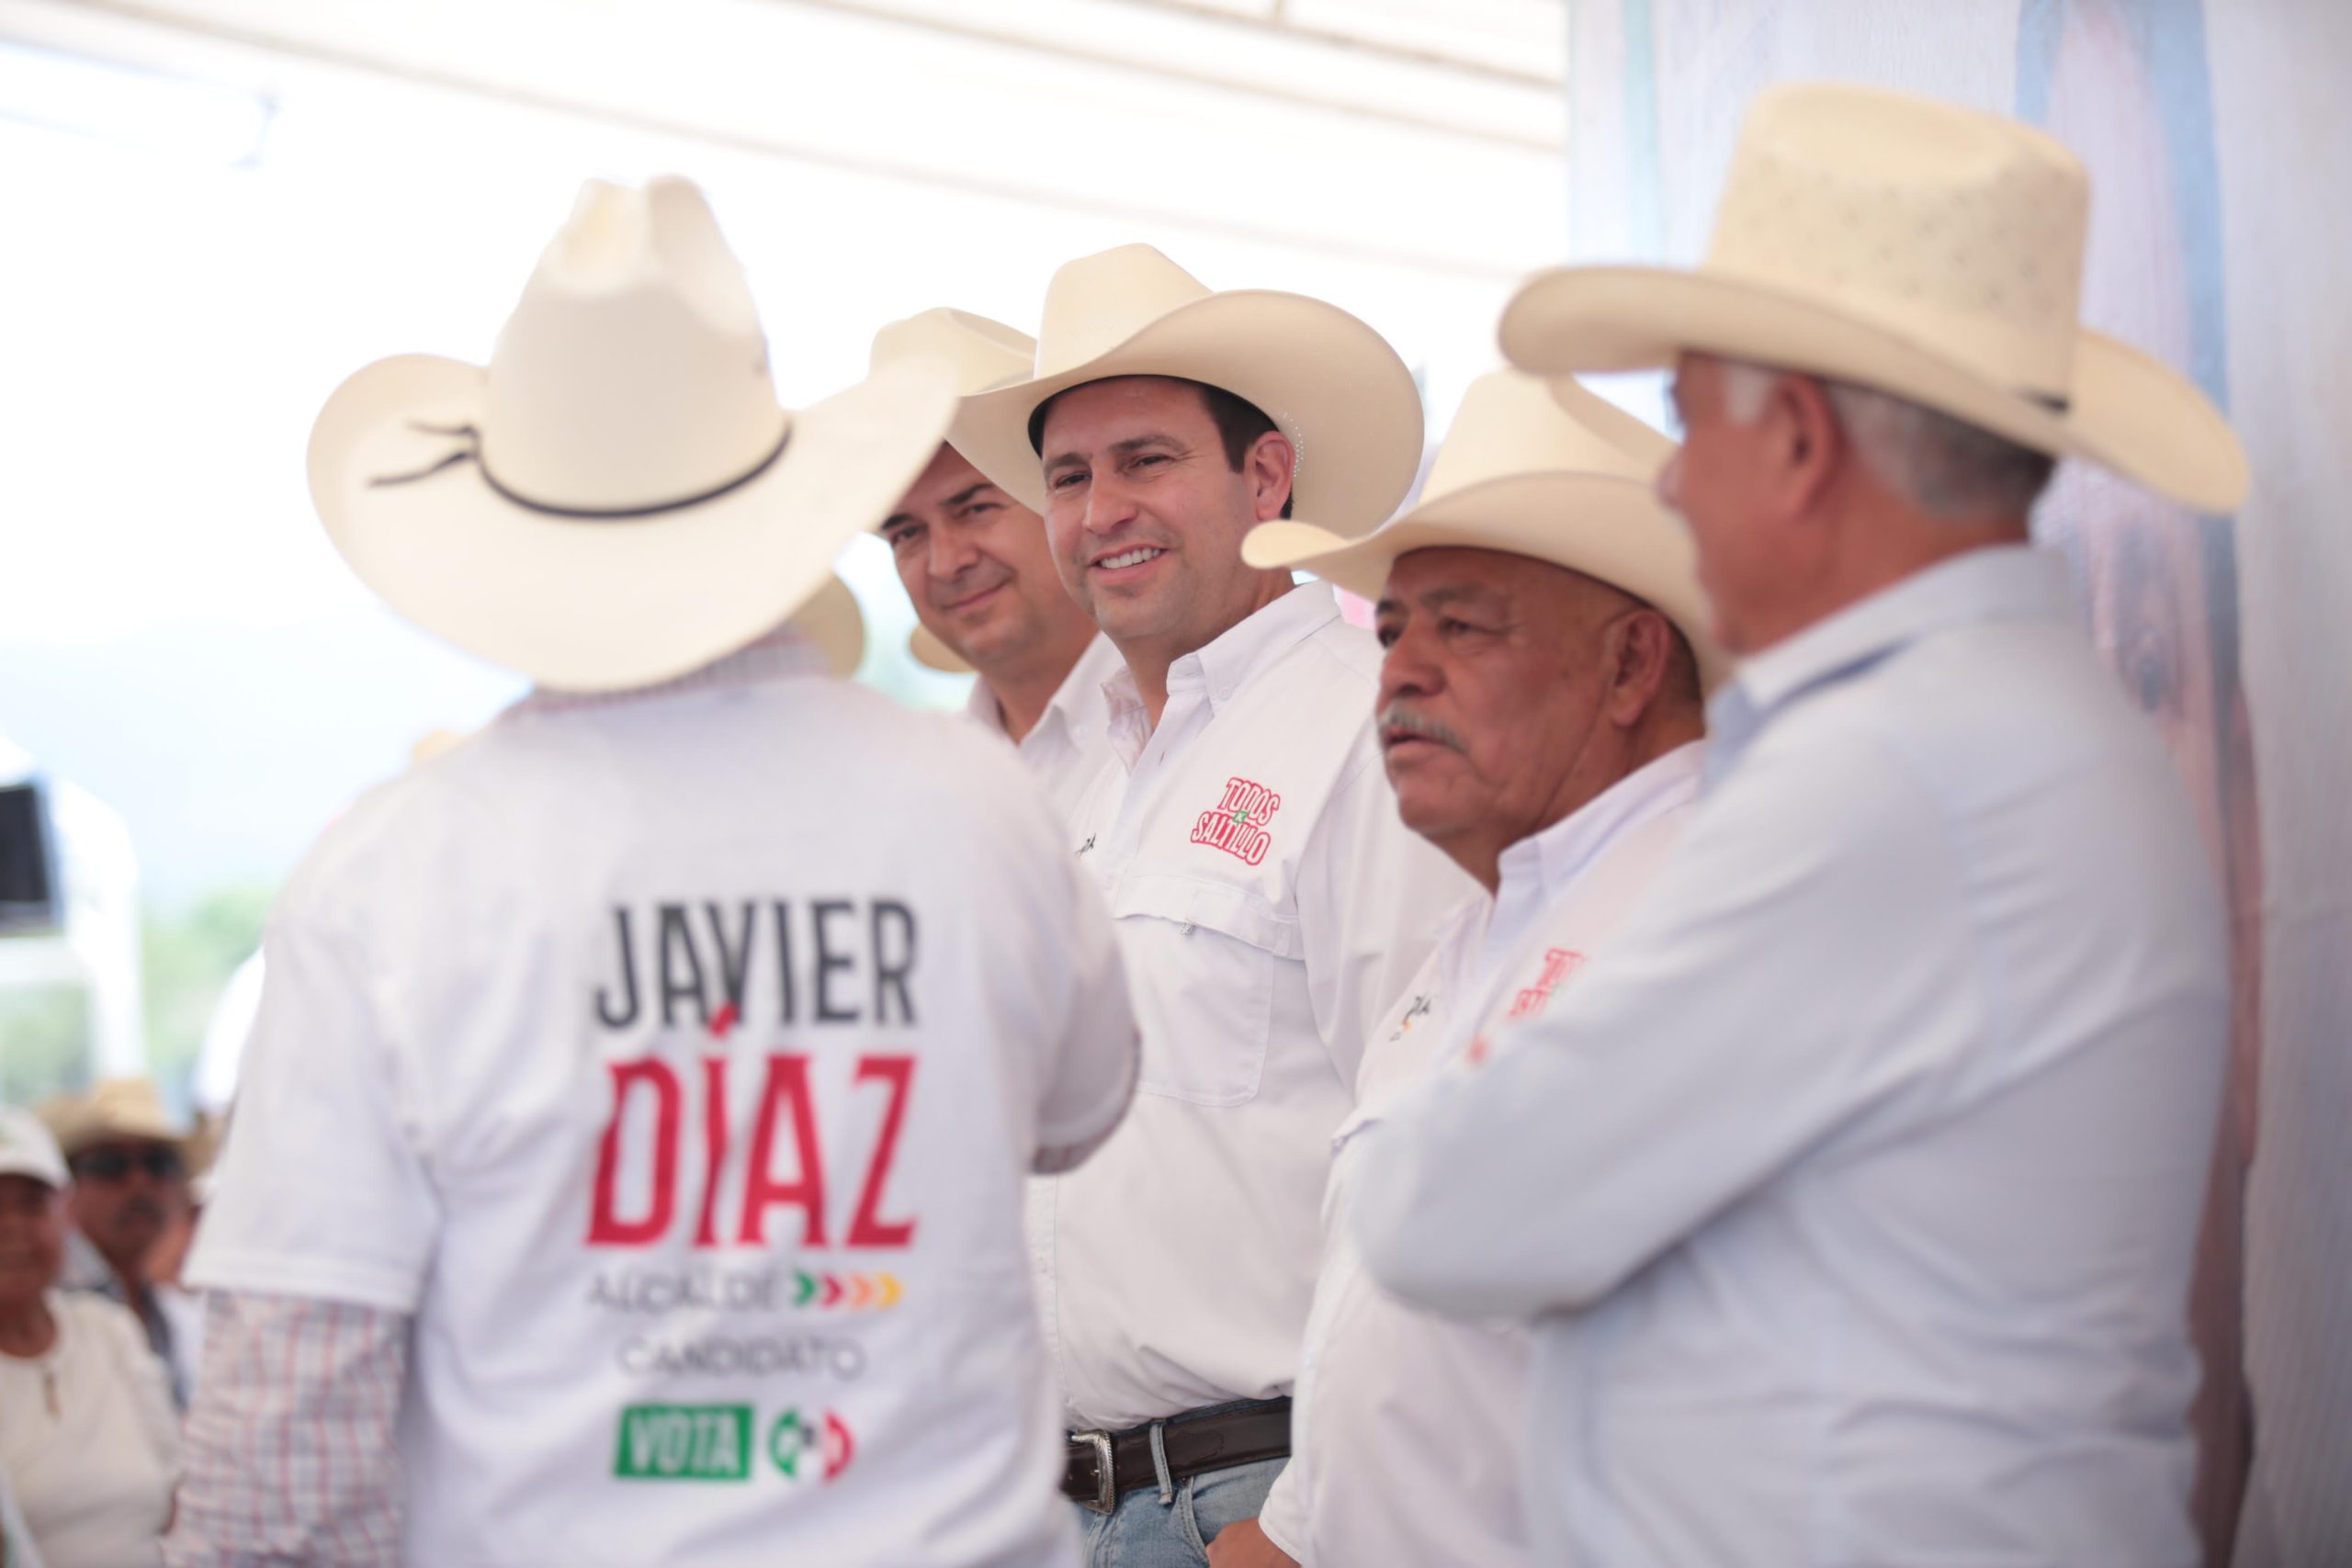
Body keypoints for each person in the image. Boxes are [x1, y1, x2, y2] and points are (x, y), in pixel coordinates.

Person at [166, 175, 1138, 1568]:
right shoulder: (978, 803)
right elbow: (1081, 1108)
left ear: (507, 530)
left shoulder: (392, 872)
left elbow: (291, 1415)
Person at [1352, 82, 2250, 1567]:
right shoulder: (1994, 732)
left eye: (1687, 418)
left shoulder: (1897, 770)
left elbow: (1446, 1207)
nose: (1671, 477)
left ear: (1802, 445)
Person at [951, 243, 1471, 1565]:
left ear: (1268, 474)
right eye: (1068, 476)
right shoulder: (1089, 774)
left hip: (1255, 1497)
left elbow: (1429, 1160)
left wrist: (1298, 1527)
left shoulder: (1362, 721)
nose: (1100, 507)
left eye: (1145, 459)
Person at [1211, 369, 1719, 1567]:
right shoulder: (1488, 927)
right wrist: (1284, 1533)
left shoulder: (1711, 923)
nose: (1401, 671)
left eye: (1464, 624)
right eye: (1392, 628)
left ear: (1632, 664)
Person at [869, 308, 1123, 821]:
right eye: (906, 534)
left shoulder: (1185, 724)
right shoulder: (922, 788)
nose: (946, 563)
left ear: (1066, 499)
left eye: (976, 509)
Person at [0, 1106, 179, 1568]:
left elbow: (181, 1485)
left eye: (32, 1205)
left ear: (63, 1215)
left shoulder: (108, 1329)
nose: (13, 1229)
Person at [41, 1079, 197, 1406]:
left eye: (159, 1164)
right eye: (110, 1166)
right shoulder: (40, 1302)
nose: (139, 1183)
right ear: (65, 1190)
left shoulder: (175, 1312)